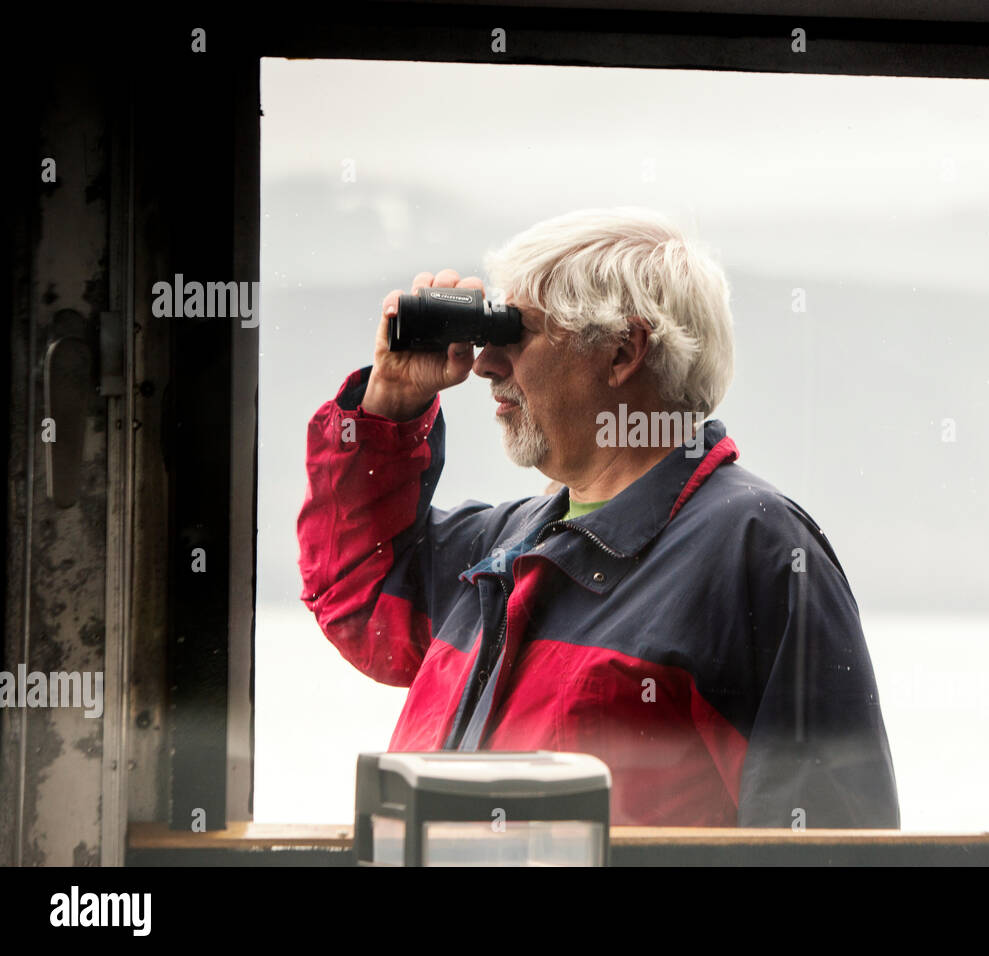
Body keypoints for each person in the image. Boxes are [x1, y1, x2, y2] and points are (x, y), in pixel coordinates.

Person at [297, 207, 900, 828]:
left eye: (516, 333)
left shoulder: (753, 551)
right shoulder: (506, 548)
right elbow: (356, 596)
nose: (483, 364)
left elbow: (830, 833)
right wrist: (391, 406)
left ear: (621, 351)